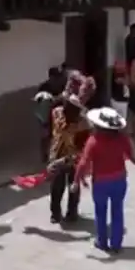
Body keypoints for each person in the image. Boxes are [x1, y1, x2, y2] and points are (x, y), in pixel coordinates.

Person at [72, 107, 135, 253]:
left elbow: (83, 163)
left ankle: (102, 242)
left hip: (100, 182)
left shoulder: (93, 141)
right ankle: (116, 244)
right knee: (117, 211)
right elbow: (132, 156)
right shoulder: (123, 139)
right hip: (119, 181)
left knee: (100, 212)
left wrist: (76, 180)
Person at [47, 90, 91, 224]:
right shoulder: (57, 113)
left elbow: (83, 146)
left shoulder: (83, 123)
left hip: (74, 159)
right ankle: (55, 213)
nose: (72, 112)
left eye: (75, 110)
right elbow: (52, 130)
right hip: (56, 154)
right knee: (56, 187)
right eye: (70, 108)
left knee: (74, 186)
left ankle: (72, 213)